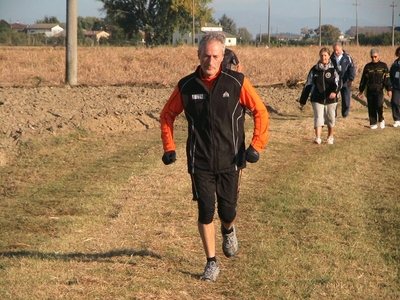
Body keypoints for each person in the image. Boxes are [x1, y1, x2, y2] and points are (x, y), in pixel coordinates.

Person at [160, 32, 269, 282]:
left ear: (223, 57)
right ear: (198, 56)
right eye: (206, 55)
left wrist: (256, 146)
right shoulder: (186, 86)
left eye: (215, 56)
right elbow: (167, 114)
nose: (210, 60)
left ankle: (228, 230)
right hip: (200, 161)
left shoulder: (237, 82)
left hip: (231, 159)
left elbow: (260, 111)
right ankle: (211, 262)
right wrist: (169, 147)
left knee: (227, 210)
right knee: (206, 209)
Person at [299, 47, 341, 145]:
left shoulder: (333, 69)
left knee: (331, 118)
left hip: (331, 99)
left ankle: (330, 136)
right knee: (318, 117)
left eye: (325, 55)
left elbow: (338, 83)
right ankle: (318, 137)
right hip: (317, 98)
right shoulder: (314, 70)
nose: (323, 57)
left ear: (329, 56)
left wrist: (334, 92)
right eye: (321, 55)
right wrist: (303, 100)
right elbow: (308, 85)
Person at [358, 48, 392, 130]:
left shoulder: (383, 66)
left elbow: (387, 79)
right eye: (372, 57)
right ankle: (373, 123)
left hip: (379, 89)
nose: (373, 58)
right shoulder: (367, 67)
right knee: (371, 106)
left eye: (375, 56)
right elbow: (364, 80)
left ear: (378, 56)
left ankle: (381, 119)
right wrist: (361, 91)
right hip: (370, 89)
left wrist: (389, 89)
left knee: (379, 105)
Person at [331, 42, 356, 118]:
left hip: (345, 81)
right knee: (334, 99)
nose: (336, 52)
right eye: (334, 50)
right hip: (334, 82)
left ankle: (345, 114)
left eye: (337, 50)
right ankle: (333, 114)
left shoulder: (347, 57)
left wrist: (351, 79)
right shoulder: (331, 58)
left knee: (346, 98)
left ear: (341, 49)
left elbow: (352, 68)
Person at [389, 46, 400, 128]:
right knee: (394, 102)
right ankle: (397, 119)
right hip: (396, 86)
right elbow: (391, 76)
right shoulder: (395, 64)